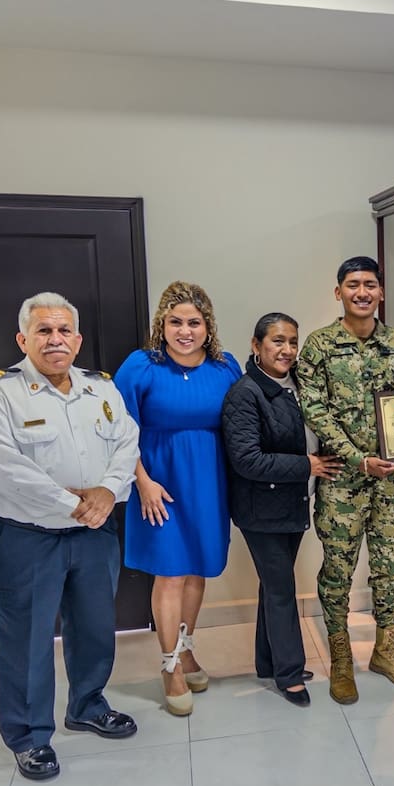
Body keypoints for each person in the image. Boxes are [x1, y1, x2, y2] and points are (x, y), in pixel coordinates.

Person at [0, 292, 140, 781]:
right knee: (25, 640)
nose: (55, 339)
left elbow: (127, 442)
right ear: (23, 339)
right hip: (28, 537)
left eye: (64, 330)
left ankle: (87, 704)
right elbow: (4, 468)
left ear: (78, 339)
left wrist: (107, 492)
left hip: (94, 533)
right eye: (44, 331)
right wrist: (75, 503)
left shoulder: (100, 389)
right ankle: (29, 736)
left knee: (93, 626)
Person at [297, 256, 394, 704]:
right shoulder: (319, 347)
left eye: (370, 285)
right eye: (353, 284)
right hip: (343, 480)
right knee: (338, 570)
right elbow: (314, 410)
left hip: (393, 480)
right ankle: (340, 659)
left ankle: (385, 651)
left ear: (380, 292)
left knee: (390, 569)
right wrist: (359, 460)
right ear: (339, 292)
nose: (362, 292)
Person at [114, 282, 242, 716]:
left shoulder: (226, 367)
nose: (184, 331)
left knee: (196, 571)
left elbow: (242, 425)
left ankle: (186, 648)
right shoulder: (141, 366)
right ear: (161, 325)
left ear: (208, 326)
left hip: (209, 481)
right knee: (169, 573)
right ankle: (169, 665)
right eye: (175, 322)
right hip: (158, 483)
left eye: (194, 322)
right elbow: (118, 431)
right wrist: (142, 482)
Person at [222, 313, 342, 706]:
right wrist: (308, 465)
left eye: (292, 341)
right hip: (263, 511)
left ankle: (268, 661)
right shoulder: (245, 393)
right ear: (256, 345)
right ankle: (290, 675)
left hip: (290, 504)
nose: (287, 350)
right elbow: (247, 460)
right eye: (277, 341)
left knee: (274, 586)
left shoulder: (296, 386)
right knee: (281, 589)